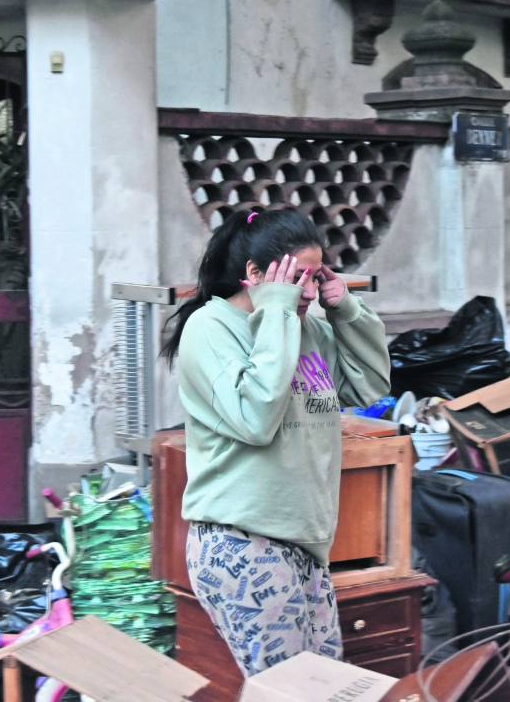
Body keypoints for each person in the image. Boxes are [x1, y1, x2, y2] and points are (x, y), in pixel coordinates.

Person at [161, 208, 391, 677]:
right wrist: (278, 312)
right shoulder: (210, 329)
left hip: (303, 542)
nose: (308, 292)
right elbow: (256, 419)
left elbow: (369, 386)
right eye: (295, 277)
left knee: (321, 684)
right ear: (252, 273)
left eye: (315, 276)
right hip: (243, 539)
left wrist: (346, 309)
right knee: (291, 690)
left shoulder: (306, 328)